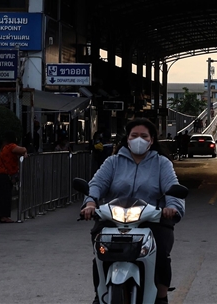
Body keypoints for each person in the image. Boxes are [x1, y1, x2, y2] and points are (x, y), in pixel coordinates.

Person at [81, 119, 185, 303]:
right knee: (100, 252)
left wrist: (172, 208)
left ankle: (161, 296)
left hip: (151, 219)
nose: (139, 140)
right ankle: (100, 293)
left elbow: (172, 187)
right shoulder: (113, 162)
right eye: (134, 135)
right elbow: (96, 184)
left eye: (144, 136)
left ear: (152, 140)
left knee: (161, 254)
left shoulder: (162, 163)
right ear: (127, 139)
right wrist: (90, 203)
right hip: (113, 219)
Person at [0, 132, 26, 223]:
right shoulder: (11, 146)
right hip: (6, 174)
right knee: (6, 196)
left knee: (1, 196)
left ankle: (2, 215)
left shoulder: (3, 147)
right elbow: (23, 149)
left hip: (1, 173)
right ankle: (4, 216)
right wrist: (25, 152)